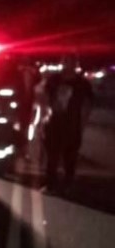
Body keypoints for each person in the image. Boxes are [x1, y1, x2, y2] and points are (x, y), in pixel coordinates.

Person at [42, 61, 93, 191]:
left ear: (75, 64)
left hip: (72, 124)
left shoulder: (82, 83)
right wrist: (44, 116)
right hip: (54, 123)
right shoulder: (54, 79)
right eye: (65, 61)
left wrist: (83, 123)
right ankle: (51, 184)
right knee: (52, 155)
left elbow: (87, 104)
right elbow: (45, 97)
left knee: (70, 156)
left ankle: (68, 184)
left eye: (70, 61)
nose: (67, 65)